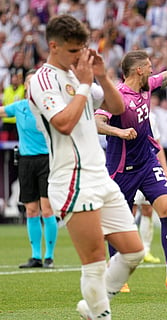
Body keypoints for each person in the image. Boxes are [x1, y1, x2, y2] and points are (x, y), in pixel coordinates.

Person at [28, 15, 144, 319]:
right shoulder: (42, 80)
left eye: (82, 49)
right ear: (53, 46)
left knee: (134, 251)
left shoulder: (78, 75)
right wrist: (83, 86)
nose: (80, 56)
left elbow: (118, 109)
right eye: (73, 51)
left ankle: (91, 308)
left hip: (100, 176)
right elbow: (64, 124)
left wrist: (102, 77)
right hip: (72, 179)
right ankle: (101, 314)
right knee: (93, 261)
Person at [94, 25, 167, 293]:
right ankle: (119, 276)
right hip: (120, 168)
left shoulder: (148, 86)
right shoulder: (116, 96)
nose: (153, 70)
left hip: (147, 162)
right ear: (138, 70)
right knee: (120, 222)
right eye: (149, 66)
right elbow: (96, 122)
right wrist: (118, 131)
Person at [0, 70, 57, 269]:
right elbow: (1, 111)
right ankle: (35, 257)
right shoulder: (19, 107)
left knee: (47, 208)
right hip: (25, 161)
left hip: (46, 161)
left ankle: (49, 256)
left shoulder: (48, 108)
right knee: (31, 210)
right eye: (29, 83)